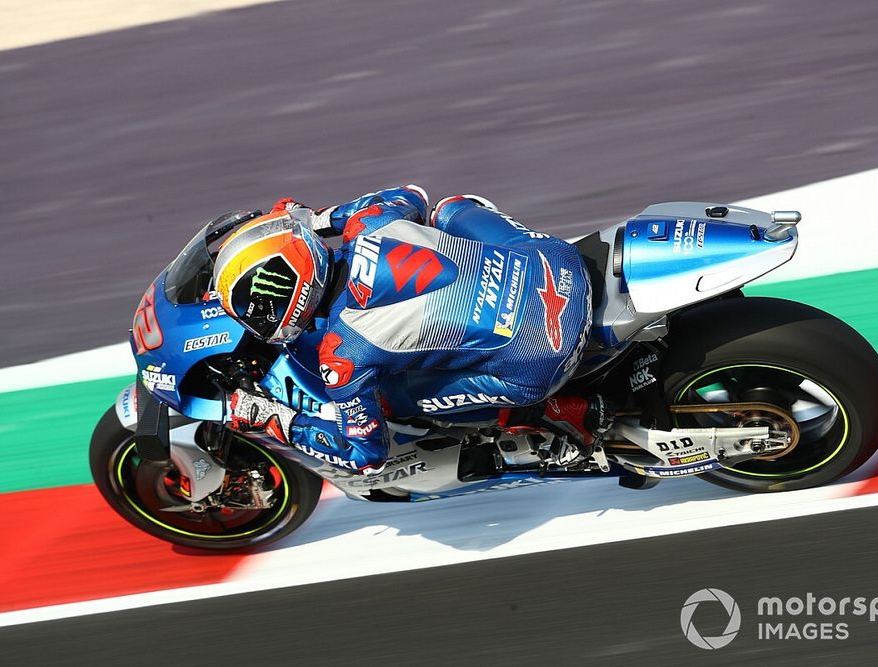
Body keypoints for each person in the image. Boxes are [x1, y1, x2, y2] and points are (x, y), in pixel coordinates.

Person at [214, 186, 611, 474]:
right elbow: (413, 195)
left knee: (389, 401)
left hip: (543, 356)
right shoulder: (368, 222)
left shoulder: (341, 353)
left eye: (258, 308)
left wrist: (276, 420)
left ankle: (556, 413)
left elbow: (366, 456)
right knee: (453, 207)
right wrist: (316, 219)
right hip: (558, 264)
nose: (258, 319)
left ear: (292, 292)